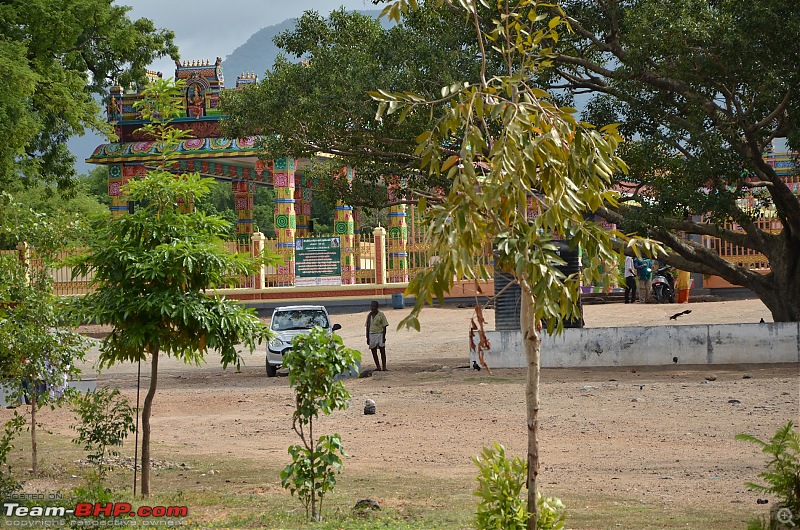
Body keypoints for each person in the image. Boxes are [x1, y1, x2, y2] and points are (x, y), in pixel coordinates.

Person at [365, 301, 389, 371]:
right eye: (371, 306)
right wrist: (367, 337)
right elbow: (367, 327)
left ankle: (384, 367)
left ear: (377, 307)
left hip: (380, 334)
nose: (372, 308)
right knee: (373, 351)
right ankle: (378, 366)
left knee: (382, 350)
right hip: (371, 334)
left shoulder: (381, 315)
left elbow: (384, 326)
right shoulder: (369, 316)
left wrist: (383, 337)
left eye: (373, 306)